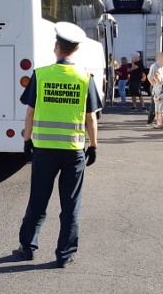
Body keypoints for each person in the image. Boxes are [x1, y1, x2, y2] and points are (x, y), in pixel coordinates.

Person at [15, 22, 101, 269]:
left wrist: (27, 140)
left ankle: (28, 247)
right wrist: (93, 146)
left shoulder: (41, 75)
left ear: (57, 47)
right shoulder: (85, 77)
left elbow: (30, 112)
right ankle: (65, 255)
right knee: (71, 204)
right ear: (75, 50)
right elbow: (91, 117)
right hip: (73, 152)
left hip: (43, 150)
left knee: (38, 200)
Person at [148, 52, 163, 126]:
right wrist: (155, 86)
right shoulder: (154, 66)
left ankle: (161, 122)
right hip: (156, 86)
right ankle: (150, 121)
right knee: (154, 105)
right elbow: (150, 77)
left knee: (162, 105)